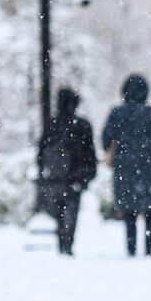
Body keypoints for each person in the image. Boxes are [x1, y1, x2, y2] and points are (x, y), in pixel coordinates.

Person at [102, 73, 151, 257]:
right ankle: (149, 246)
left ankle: (131, 247)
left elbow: (106, 139)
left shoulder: (116, 113)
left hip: (125, 167)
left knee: (129, 210)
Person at [37, 88, 97, 256]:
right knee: (71, 210)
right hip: (75, 177)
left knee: (58, 210)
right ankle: (68, 244)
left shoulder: (51, 124)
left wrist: (43, 172)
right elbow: (89, 152)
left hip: (55, 177)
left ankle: (62, 242)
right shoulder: (82, 125)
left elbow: (41, 150)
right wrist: (89, 174)